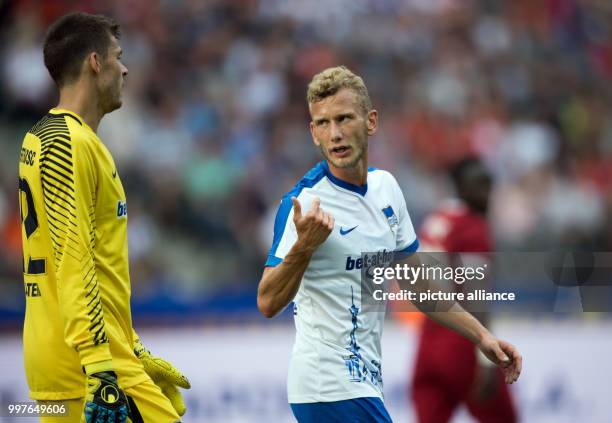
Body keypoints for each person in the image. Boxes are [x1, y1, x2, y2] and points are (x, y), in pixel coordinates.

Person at [256, 66, 522, 422]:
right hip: (327, 388)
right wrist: (304, 246)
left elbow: (420, 286)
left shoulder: (387, 189)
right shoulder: (304, 205)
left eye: (344, 118)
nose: (334, 133)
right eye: (323, 123)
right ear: (313, 133)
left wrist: (481, 336)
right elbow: (268, 301)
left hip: (365, 385)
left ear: (371, 121)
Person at [18, 12, 189, 422]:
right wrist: (101, 366)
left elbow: (96, 263)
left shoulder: (50, 137)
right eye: (119, 56)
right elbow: (73, 260)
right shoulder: (68, 143)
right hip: (88, 364)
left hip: (79, 353)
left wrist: (132, 347)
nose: (125, 68)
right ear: (96, 63)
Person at [411, 157, 517, 422]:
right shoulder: (472, 228)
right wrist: (486, 361)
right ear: (461, 186)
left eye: (489, 184)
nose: (487, 192)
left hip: (429, 341)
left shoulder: (437, 219)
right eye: (480, 184)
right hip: (462, 340)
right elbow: (476, 296)